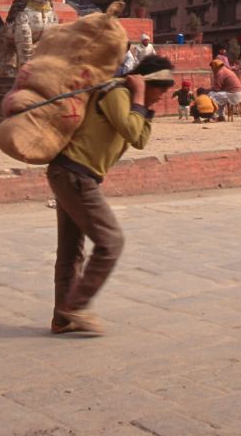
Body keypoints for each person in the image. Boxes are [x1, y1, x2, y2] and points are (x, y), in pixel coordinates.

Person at [48, 55, 174, 335]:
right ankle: (76, 306)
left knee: (71, 251)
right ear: (146, 82)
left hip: (71, 174)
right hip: (75, 174)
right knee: (111, 242)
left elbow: (139, 140)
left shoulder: (135, 104)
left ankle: (62, 319)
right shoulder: (117, 93)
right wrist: (140, 95)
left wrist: (146, 106)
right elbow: (130, 128)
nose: (163, 96)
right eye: (160, 90)